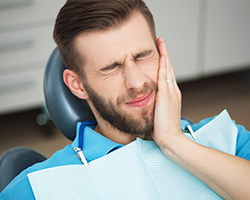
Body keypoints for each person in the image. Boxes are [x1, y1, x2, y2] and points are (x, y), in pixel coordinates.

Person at [1, 0, 250, 199]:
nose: (137, 82)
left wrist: (175, 142)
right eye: (111, 67)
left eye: (142, 56)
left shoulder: (228, 139)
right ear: (77, 85)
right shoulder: (38, 187)